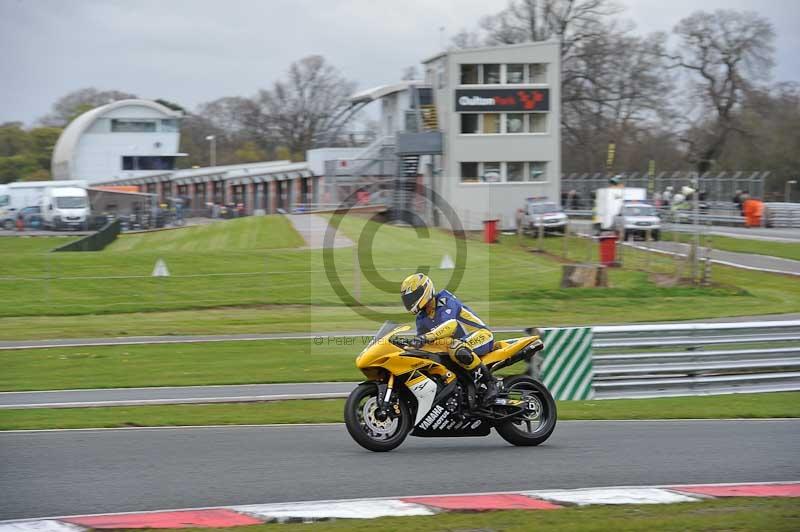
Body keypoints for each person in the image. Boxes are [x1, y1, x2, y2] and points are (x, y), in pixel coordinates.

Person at [400, 273, 498, 406]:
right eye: (408, 298)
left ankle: (491, 383)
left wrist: (426, 337)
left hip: (480, 335)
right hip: (455, 345)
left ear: (425, 289)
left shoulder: (445, 300)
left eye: (413, 295)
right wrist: (405, 346)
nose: (411, 300)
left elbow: (451, 325)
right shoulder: (421, 318)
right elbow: (422, 344)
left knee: (456, 348)